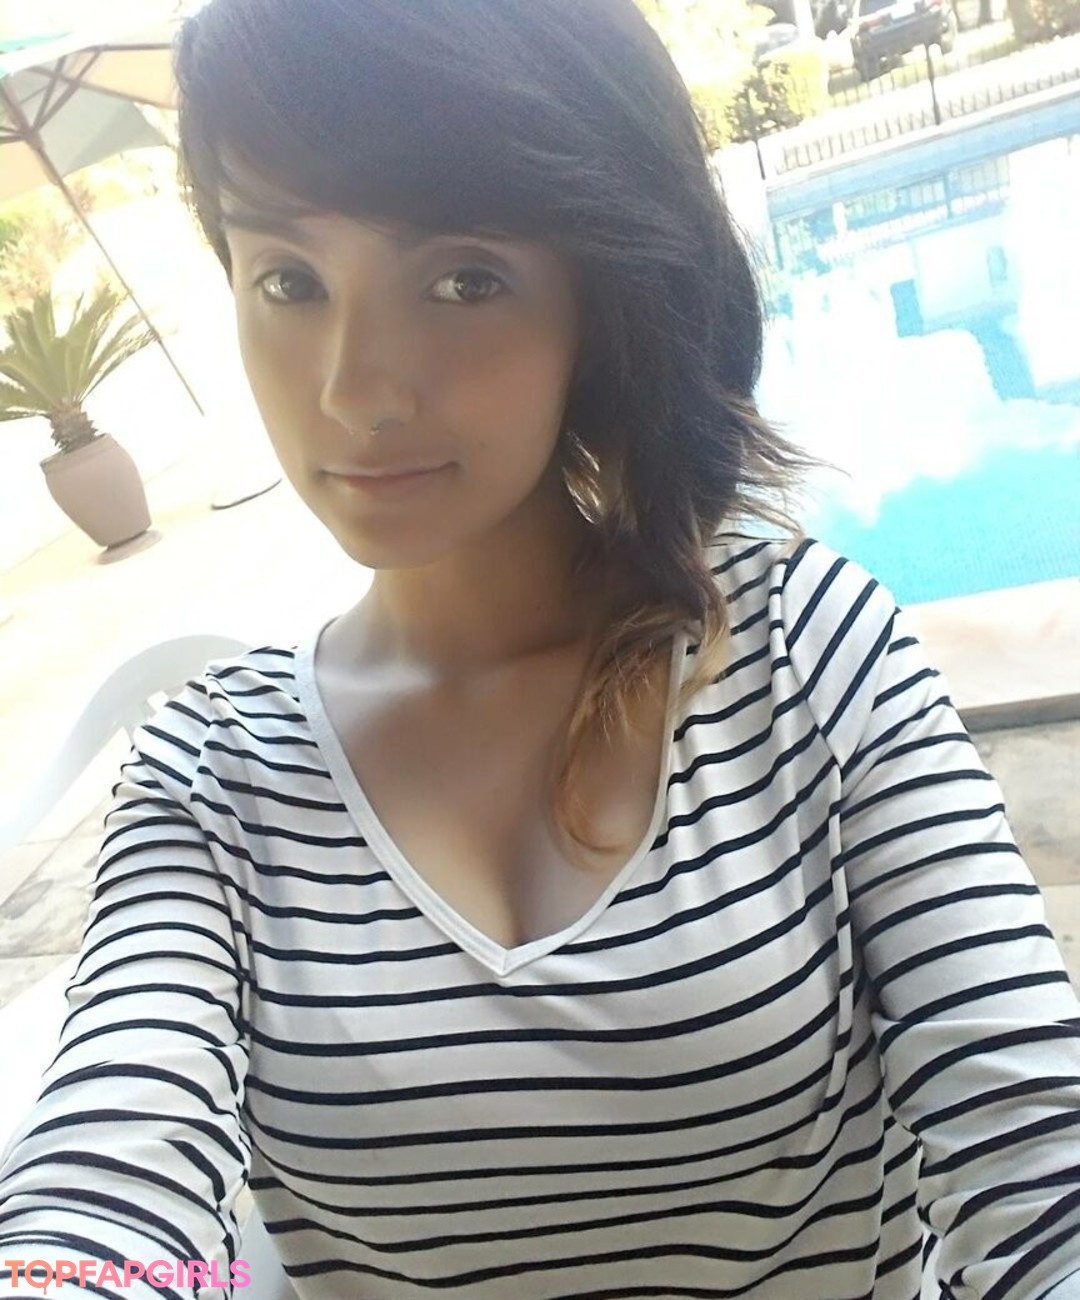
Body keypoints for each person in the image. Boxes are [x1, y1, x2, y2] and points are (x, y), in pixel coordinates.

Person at [1, 0, 1078, 1296]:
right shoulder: (208, 777)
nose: (353, 387)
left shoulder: (809, 658)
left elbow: (1030, 1145)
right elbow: (103, 1176)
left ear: (601, 297)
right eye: (289, 279)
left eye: (464, 278)